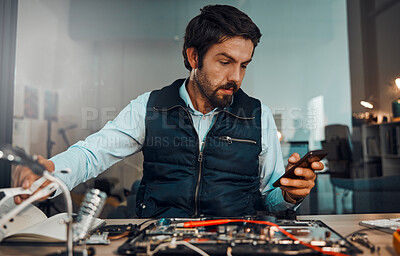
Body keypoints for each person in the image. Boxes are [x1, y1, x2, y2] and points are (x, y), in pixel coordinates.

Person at [13, 5, 323, 218]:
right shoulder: (149, 107)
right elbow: (92, 154)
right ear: (193, 56)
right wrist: (51, 173)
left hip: (234, 242)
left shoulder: (259, 116)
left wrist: (291, 194)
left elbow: (268, 201)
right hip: (162, 240)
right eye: (225, 62)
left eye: (244, 65)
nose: (236, 77)